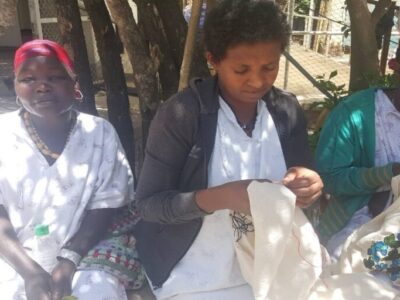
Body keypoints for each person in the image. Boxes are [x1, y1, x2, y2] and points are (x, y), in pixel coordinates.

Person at [134, 1, 323, 299]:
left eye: (269, 67)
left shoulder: (285, 111)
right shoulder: (182, 115)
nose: (258, 80)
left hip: (274, 264)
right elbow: (148, 206)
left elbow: (304, 182)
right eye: (242, 69)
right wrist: (219, 198)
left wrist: (310, 184)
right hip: (195, 272)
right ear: (213, 60)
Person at [0, 39, 134, 300]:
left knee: (97, 292)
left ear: (75, 85)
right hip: (12, 255)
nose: (42, 87)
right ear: (15, 86)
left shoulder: (99, 133)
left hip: (87, 251)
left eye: (55, 77)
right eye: (28, 79)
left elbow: (105, 206)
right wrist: (30, 273)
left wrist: (69, 261)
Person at [315, 85, 400, 260]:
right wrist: (388, 173)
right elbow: (329, 178)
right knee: (351, 265)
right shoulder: (354, 112)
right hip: (358, 222)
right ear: (396, 66)